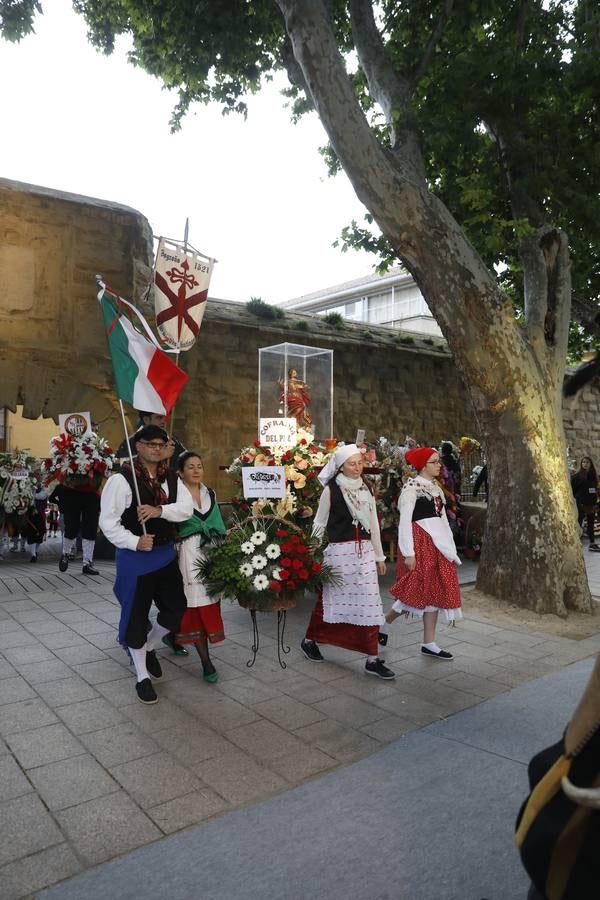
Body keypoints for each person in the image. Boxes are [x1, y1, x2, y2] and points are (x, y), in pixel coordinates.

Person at [99, 425, 193, 704]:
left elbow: (185, 509)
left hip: (164, 555)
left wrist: (159, 510)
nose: (156, 448)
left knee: (176, 609)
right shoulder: (122, 479)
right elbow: (108, 522)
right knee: (136, 616)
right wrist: (133, 542)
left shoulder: (172, 479)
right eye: (150, 443)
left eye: (161, 444)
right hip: (135, 560)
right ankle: (142, 676)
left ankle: (149, 646)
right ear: (137, 445)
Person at [301, 444, 395, 679]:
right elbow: (320, 522)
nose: (357, 468)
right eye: (351, 464)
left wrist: (380, 556)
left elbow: (373, 524)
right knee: (331, 602)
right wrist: (312, 547)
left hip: (363, 553)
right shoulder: (330, 490)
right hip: (339, 554)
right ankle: (310, 639)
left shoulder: (366, 488)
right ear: (341, 466)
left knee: (370, 603)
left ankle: (372, 659)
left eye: (360, 463)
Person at [380, 447, 461, 660]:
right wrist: (408, 552)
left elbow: (443, 519)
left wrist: (449, 547)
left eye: (438, 462)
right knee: (415, 589)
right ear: (423, 465)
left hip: (438, 544)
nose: (439, 465)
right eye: (434, 462)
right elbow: (405, 523)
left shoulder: (435, 488)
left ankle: (429, 642)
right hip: (420, 543)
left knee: (434, 590)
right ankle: (385, 621)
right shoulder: (411, 489)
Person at [171, 451, 227, 682]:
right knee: (193, 604)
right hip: (186, 552)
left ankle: (174, 636)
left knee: (210, 599)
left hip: (210, 550)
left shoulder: (210, 493)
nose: (196, 470)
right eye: (190, 466)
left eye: (199, 466)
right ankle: (206, 662)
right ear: (180, 472)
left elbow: (217, 523)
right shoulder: (173, 494)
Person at [116, 411, 186, 470]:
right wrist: (162, 456)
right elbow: (129, 471)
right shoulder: (130, 444)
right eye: (159, 417)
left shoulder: (172, 441)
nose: (163, 421)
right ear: (146, 420)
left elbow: (187, 464)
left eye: (165, 417)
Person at [571, 456, 599, 551]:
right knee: (579, 523)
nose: (585, 464)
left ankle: (592, 544)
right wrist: (578, 499)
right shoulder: (577, 476)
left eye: (587, 462)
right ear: (581, 464)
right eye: (583, 462)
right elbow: (572, 491)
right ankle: (576, 544)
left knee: (591, 524)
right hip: (581, 504)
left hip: (591, 504)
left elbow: (595, 489)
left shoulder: (593, 476)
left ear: (590, 464)